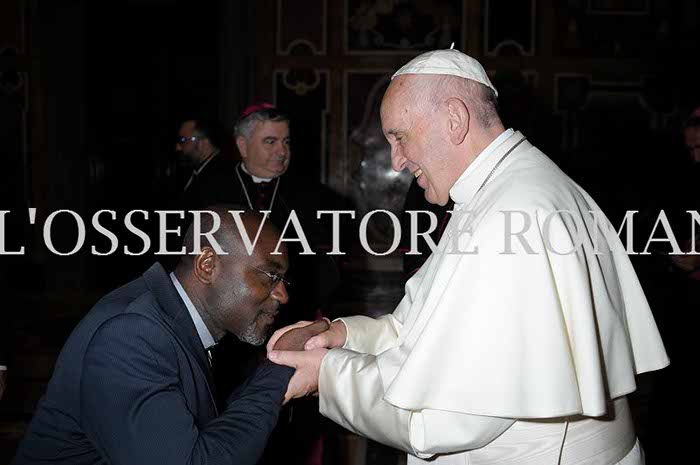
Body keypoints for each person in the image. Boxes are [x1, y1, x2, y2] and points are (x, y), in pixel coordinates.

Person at [267, 48, 670, 465]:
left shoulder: (510, 210)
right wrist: (343, 336)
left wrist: (327, 375)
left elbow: (442, 418)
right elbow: (419, 326)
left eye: (400, 137)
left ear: (455, 119)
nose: (396, 161)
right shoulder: (501, 190)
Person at [12, 208, 304, 465]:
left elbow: (214, 433)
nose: (283, 294)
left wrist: (277, 364)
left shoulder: (168, 318)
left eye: (283, 279)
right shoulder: (131, 334)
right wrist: (280, 368)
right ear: (207, 265)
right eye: (270, 275)